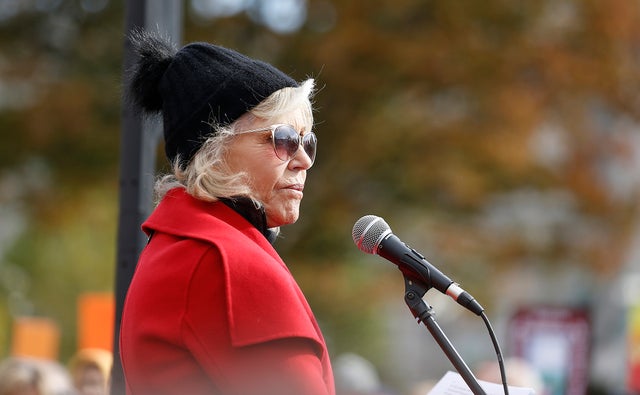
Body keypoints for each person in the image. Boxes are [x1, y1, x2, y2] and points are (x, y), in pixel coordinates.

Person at [118, 29, 334, 395]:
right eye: (283, 139)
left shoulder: (185, 247)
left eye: (307, 141)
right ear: (214, 150)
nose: (303, 160)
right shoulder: (224, 262)